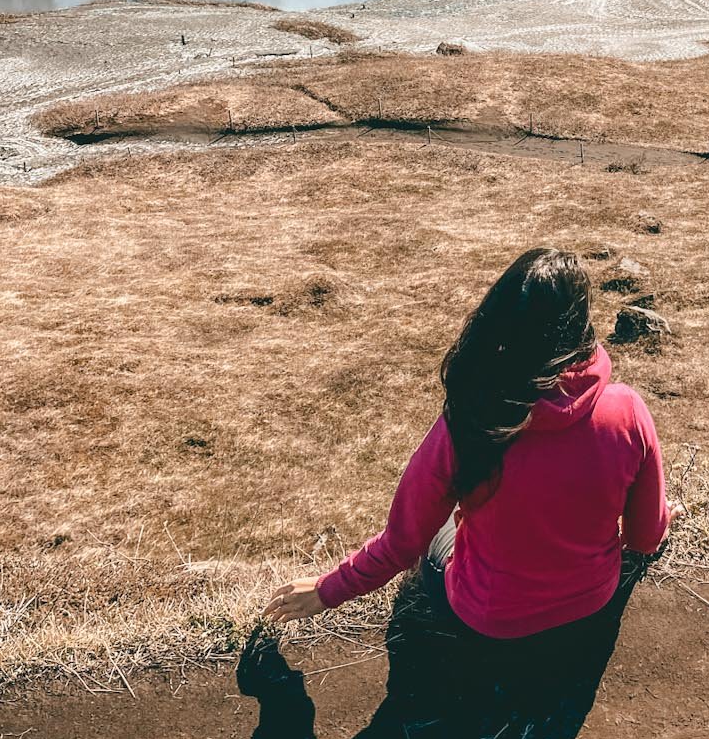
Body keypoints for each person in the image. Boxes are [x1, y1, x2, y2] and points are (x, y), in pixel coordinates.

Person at [265, 248, 673, 653]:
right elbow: (644, 538)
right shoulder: (628, 411)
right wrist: (659, 515)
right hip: (589, 607)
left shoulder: (473, 421)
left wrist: (325, 590)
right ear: (581, 325)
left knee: (438, 528)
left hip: (488, 620)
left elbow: (401, 544)